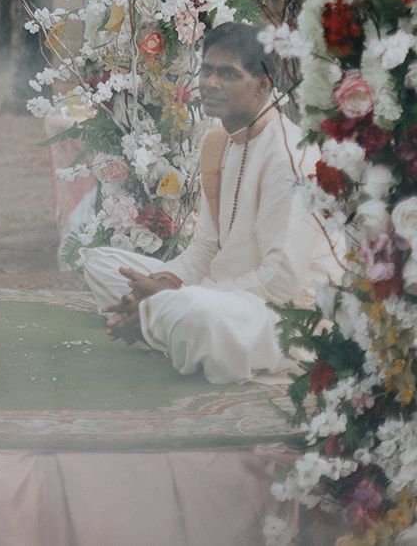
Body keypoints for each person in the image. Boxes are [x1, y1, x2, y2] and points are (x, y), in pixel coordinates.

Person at [80, 21, 342, 384]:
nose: (210, 83)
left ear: (263, 85)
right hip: (222, 292)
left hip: (283, 316)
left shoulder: (288, 158)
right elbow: (204, 247)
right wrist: (161, 280)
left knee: (190, 310)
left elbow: (280, 283)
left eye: (228, 74)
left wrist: (176, 294)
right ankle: (155, 320)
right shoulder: (220, 142)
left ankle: (155, 321)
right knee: (101, 262)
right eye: (206, 69)